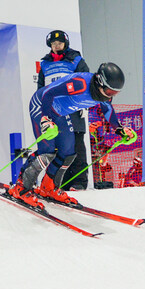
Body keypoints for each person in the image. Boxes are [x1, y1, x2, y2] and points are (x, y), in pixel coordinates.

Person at [9, 62, 136, 209]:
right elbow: (48, 94)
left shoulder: (104, 95)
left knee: (68, 152)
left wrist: (119, 129)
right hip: (42, 105)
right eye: (109, 91)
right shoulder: (80, 84)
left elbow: (107, 109)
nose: (111, 95)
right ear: (100, 82)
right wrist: (45, 119)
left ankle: (49, 187)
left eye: (115, 93)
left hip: (60, 113)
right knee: (47, 151)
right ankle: (21, 188)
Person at [38, 29, 90, 190]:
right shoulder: (44, 64)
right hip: (54, 110)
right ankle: (61, 183)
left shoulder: (76, 60)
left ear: (65, 44)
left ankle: (79, 182)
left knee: (77, 145)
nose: (56, 46)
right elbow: (41, 88)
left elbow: (86, 81)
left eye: (59, 43)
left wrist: (84, 104)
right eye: (53, 43)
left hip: (73, 108)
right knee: (59, 146)